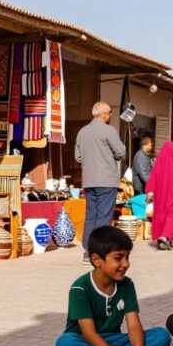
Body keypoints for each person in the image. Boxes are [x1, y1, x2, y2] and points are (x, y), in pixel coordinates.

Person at [55, 225, 172, 346]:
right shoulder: (80, 288)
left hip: (114, 342)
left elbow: (133, 324)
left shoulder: (127, 284)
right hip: (85, 343)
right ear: (97, 260)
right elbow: (88, 333)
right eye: (118, 258)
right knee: (65, 344)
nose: (126, 263)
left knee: (161, 336)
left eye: (127, 257)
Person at [76, 101, 126, 264]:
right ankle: (97, 250)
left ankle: (87, 250)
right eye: (110, 112)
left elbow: (78, 157)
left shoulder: (82, 132)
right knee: (104, 217)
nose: (111, 115)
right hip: (106, 179)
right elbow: (121, 152)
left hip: (89, 180)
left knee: (91, 216)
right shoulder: (108, 130)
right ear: (104, 113)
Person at [146, 142, 173, 251]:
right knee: (172, 215)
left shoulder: (158, 164)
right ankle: (165, 236)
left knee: (161, 215)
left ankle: (163, 236)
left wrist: (150, 191)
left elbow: (152, 178)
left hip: (161, 195)